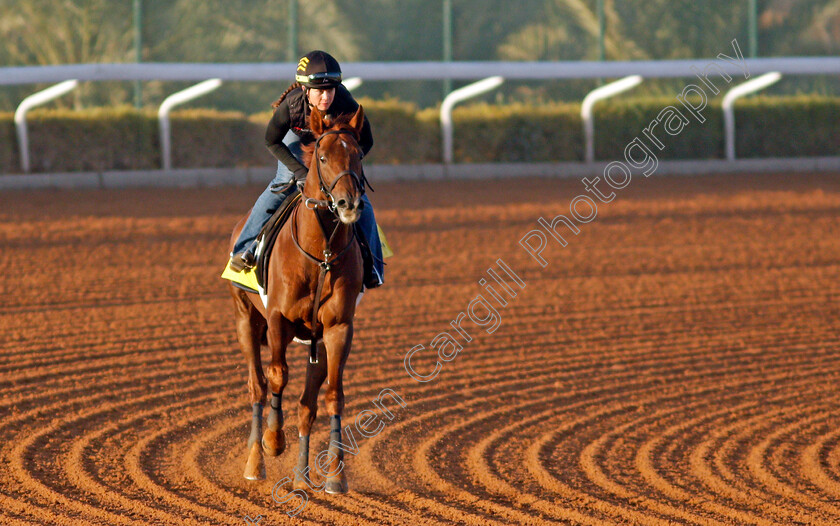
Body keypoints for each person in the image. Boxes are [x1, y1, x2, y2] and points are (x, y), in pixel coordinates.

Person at [229, 50, 384, 289]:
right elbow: (272, 141)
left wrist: (346, 165)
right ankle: (243, 250)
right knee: (283, 184)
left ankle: (372, 264)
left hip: (331, 145)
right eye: (319, 91)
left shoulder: (345, 102)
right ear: (305, 90)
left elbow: (367, 141)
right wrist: (301, 173)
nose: (326, 97)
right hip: (295, 141)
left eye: (330, 90)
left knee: (358, 196)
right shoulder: (291, 106)